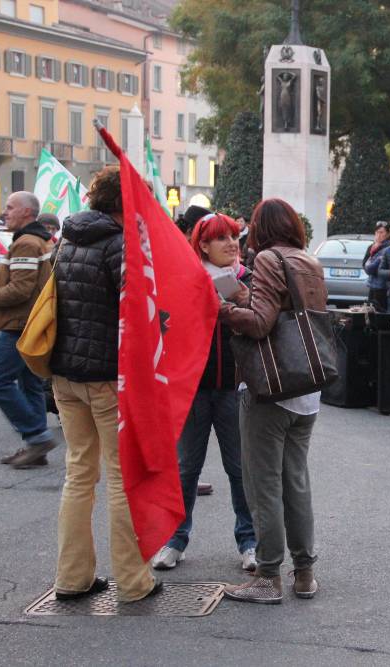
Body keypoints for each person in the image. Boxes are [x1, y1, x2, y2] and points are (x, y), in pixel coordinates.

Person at [49, 166, 161, 602]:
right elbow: (137, 315)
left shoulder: (68, 239)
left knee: (78, 473)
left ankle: (72, 577)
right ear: (126, 205)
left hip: (65, 374)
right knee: (119, 477)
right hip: (107, 378)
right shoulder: (121, 247)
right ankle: (134, 582)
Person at [219, 198, 325, 604]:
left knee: (263, 482)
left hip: (271, 386)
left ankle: (267, 576)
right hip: (306, 386)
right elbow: (287, 312)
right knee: (295, 480)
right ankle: (304, 573)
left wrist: (224, 309)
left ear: (261, 229)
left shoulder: (266, 258)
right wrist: (248, 297)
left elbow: (262, 323)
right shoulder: (307, 259)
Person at [150, 212, 257, 573]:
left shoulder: (244, 278)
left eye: (234, 236)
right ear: (203, 245)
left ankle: (249, 541)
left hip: (234, 388)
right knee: (186, 469)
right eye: (221, 238)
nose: (231, 243)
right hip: (192, 389)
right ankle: (175, 539)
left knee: (240, 469)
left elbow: (260, 323)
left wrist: (244, 300)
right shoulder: (184, 279)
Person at [0, 192, 55, 468]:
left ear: (27, 213)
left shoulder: (27, 243)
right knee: (29, 384)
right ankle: (36, 445)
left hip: (18, 324)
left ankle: (36, 436)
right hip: (30, 322)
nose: (5, 212)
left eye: (10, 207)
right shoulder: (36, 239)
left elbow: (20, 289)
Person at [362, 221, 390, 311]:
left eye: (381, 232)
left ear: (387, 234)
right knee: (371, 311)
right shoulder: (372, 247)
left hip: (383, 287)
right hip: (372, 285)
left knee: (381, 311)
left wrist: (371, 268)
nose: (378, 235)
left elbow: (374, 267)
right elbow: (364, 264)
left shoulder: (389, 247)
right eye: (377, 232)